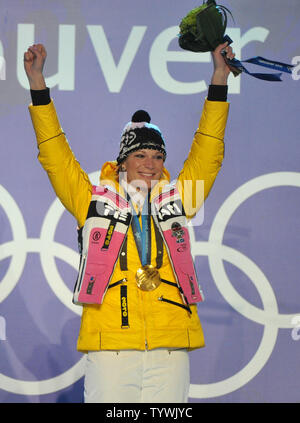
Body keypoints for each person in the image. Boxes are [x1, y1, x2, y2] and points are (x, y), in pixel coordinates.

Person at [24, 40, 234, 403]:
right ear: (122, 161)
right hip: (111, 347)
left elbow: (208, 153)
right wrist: (38, 86)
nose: (150, 163)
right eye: (140, 154)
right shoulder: (91, 200)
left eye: (157, 155)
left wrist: (219, 79)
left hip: (169, 347)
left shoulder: (178, 199)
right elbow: (54, 154)